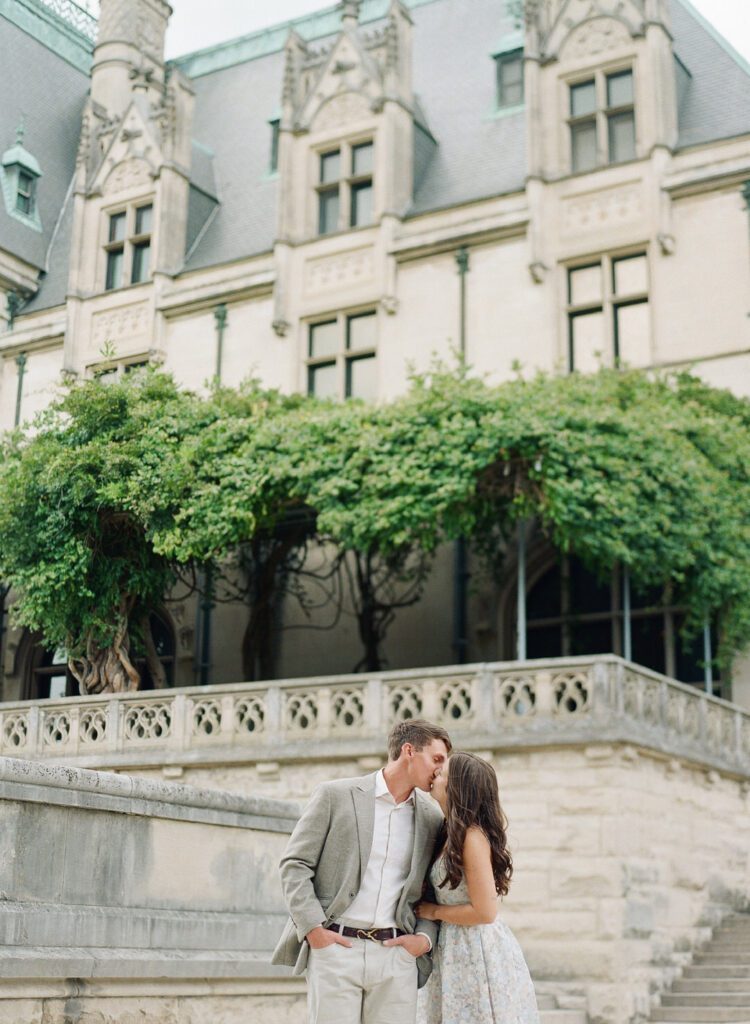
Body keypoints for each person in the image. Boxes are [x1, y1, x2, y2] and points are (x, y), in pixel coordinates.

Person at [271, 719, 452, 1024]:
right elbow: (295, 865)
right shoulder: (335, 795)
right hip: (337, 949)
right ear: (409, 750)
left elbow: (432, 887)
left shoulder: (432, 816)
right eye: (437, 759)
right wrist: (314, 930)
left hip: (397, 955)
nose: (441, 770)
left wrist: (423, 939)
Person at [414, 751, 539, 1024]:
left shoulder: (471, 837)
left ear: (458, 787)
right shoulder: (447, 832)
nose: (436, 774)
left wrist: (432, 911)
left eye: (443, 773)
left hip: (474, 948)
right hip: (451, 946)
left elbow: (485, 912)